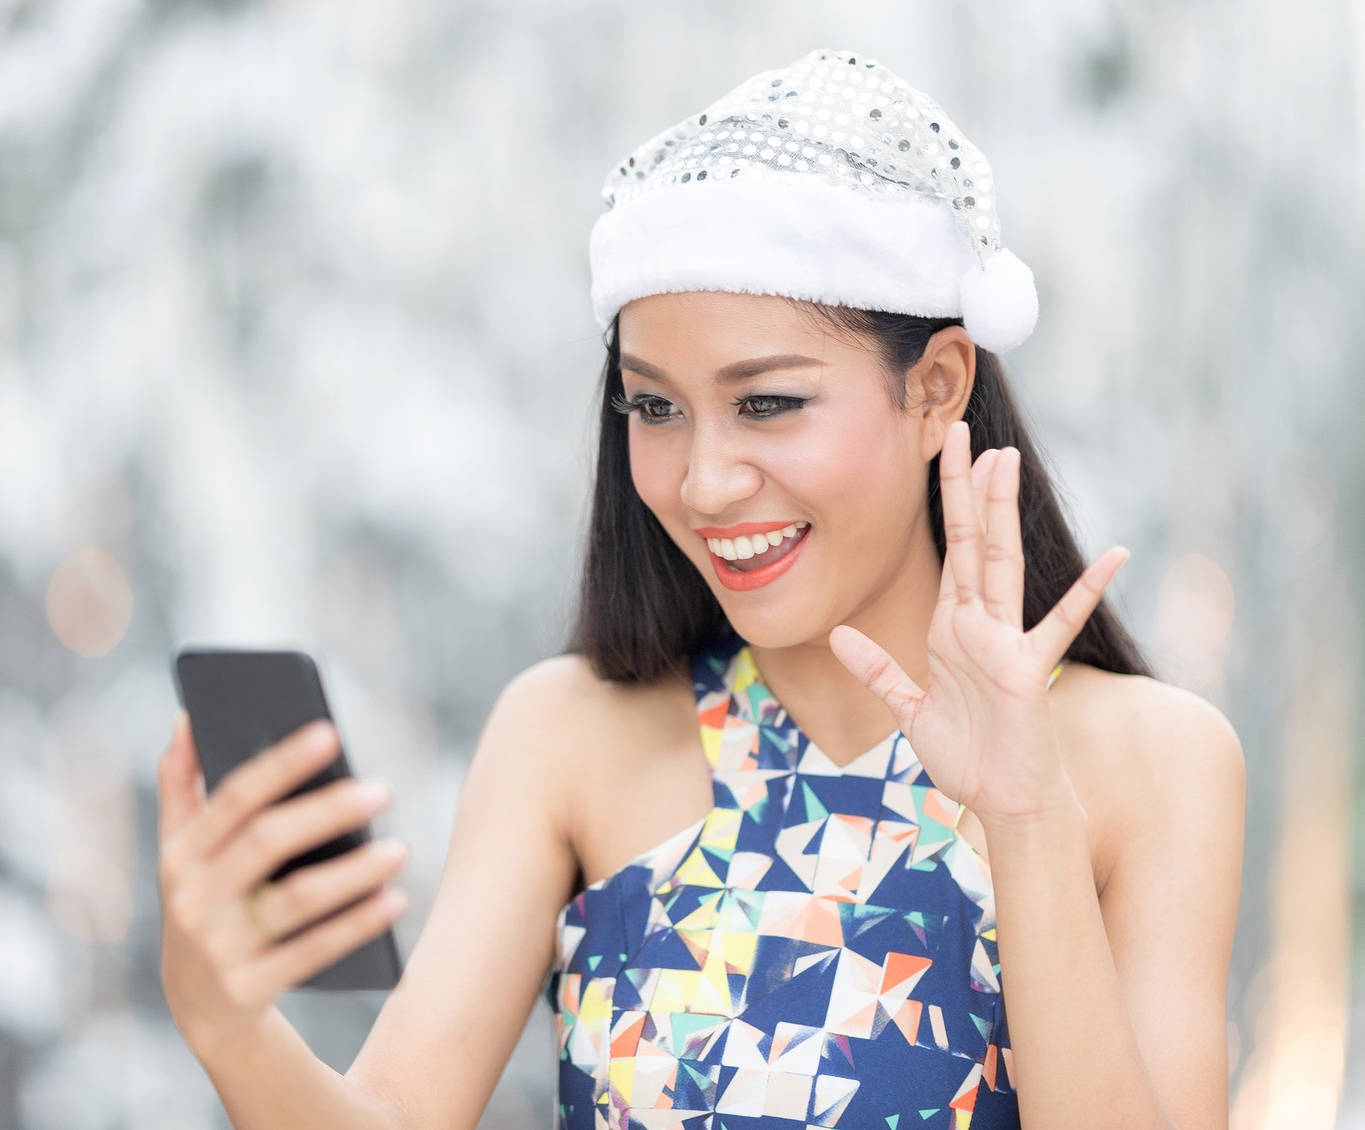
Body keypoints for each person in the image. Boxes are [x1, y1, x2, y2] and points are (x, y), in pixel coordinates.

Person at [153, 48, 1245, 1129]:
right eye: (655, 407)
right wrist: (229, 1023)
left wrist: (1023, 815)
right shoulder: (567, 734)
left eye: (767, 402)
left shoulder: (1152, 761)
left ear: (937, 386)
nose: (702, 482)